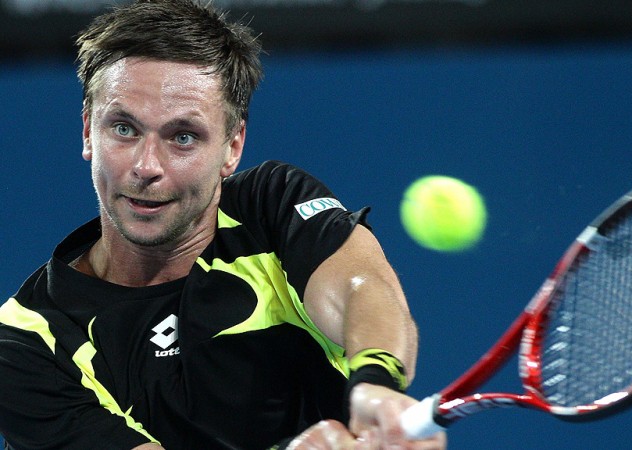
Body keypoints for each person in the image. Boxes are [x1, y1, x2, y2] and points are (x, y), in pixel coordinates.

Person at [0, 1, 446, 449]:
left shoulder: (272, 206)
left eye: (183, 137)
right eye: (123, 129)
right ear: (87, 132)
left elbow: (361, 287)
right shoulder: (27, 342)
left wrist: (376, 383)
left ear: (232, 148)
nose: (146, 165)